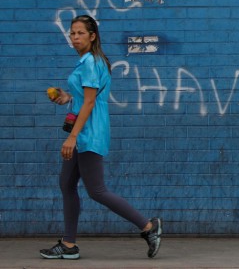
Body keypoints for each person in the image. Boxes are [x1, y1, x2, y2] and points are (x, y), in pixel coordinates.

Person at [40, 15, 162, 260]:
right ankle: (69, 244)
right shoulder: (87, 61)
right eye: (72, 33)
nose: (75, 37)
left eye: (80, 33)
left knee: (96, 190)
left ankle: (149, 227)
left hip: (89, 132)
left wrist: (72, 137)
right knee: (66, 184)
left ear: (92, 36)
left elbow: (91, 101)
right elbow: (84, 97)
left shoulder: (91, 62)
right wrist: (66, 97)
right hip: (82, 129)